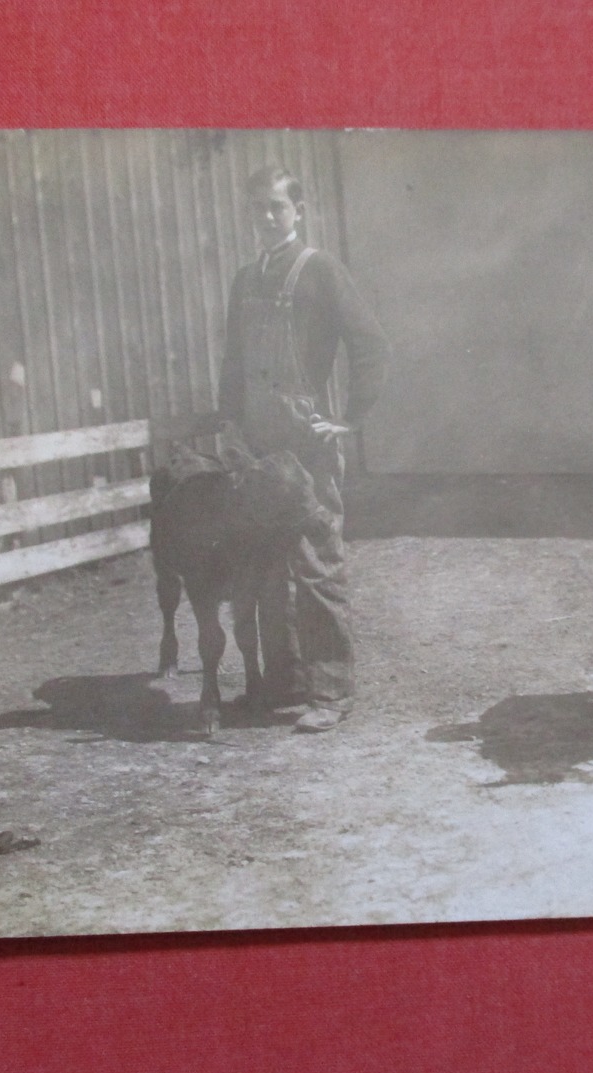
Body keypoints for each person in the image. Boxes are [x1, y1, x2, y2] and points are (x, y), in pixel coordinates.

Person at [217, 165, 389, 733]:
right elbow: (233, 363)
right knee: (265, 564)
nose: (267, 217)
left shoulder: (321, 272)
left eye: (277, 207)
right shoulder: (246, 279)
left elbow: (370, 345)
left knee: (315, 564)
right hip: (260, 445)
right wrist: (230, 423)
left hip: (307, 446)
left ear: (299, 211)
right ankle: (282, 680)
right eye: (259, 208)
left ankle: (332, 690)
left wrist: (349, 420)